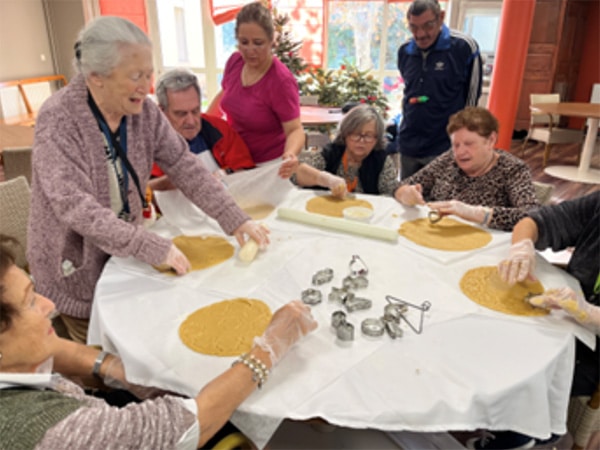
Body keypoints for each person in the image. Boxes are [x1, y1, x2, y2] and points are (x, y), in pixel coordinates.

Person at [27, 16, 269, 344]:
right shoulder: (59, 119)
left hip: (121, 252)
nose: (147, 86)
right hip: (74, 267)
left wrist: (234, 218)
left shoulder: (145, 112)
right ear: (96, 76)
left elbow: (185, 166)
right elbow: (74, 204)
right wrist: (145, 245)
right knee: (104, 362)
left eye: (149, 73)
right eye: (136, 76)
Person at [0, 235, 317, 449]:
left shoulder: (13, 360)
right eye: (30, 303)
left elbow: (54, 347)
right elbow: (192, 425)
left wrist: (111, 366)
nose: (48, 305)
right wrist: (270, 346)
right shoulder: (47, 431)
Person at [465, 192, 600, 450]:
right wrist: (522, 247)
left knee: (507, 359)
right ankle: (511, 421)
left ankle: (521, 434)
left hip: (591, 355)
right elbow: (535, 221)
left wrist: (590, 314)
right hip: (565, 320)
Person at [394, 107, 538, 231]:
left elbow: (533, 216)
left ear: (491, 140)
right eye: (456, 145)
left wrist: (476, 213)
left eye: (469, 144)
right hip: (439, 237)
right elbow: (402, 185)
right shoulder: (449, 159)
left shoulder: (513, 170)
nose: (460, 152)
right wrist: (405, 193)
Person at [206, 1, 304, 179]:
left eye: (258, 43)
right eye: (244, 42)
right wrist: (202, 123)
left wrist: (290, 154)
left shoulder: (280, 81)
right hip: (235, 157)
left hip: (268, 165)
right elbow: (225, 95)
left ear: (271, 41)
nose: (250, 50)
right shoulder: (235, 62)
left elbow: (295, 130)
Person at [396, 0, 482, 179]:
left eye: (428, 26)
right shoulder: (404, 51)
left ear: (441, 17)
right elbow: (410, 94)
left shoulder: (464, 47)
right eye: (413, 27)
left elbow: (471, 103)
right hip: (409, 143)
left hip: (443, 146)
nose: (420, 34)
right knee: (405, 200)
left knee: (438, 204)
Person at [149, 68, 255, 191]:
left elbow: (247, 173)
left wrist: (225, 173)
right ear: (161, 111)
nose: (191, 121)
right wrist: (173, 181)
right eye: (181, 114)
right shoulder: (148, 144)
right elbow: (140, 190)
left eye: (195, 111)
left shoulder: (219, 129)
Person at [294, 104, 398, 197]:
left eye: (369, 135)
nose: (361, 141)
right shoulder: (331, 154)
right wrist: (324, 179)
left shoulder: (381, 160)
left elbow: (391, 192)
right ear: (345, 134)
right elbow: (295, 174)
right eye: (355, 134)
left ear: (377, 139)